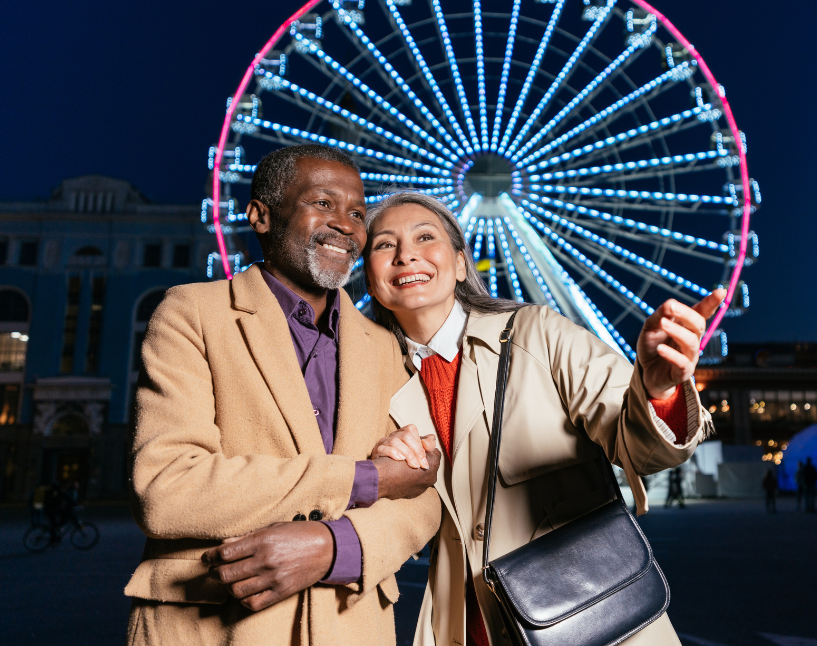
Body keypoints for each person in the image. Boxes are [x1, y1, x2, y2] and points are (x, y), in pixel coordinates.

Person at [361, 192, 721, 646]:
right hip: (469, 623)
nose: (406, 253)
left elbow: (636, 446)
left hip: (589, 617)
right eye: (383, 245)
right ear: (370, 279)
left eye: (424, 236)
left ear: (458, 263)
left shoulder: (538, 332)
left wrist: (658, 390)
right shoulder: (373, 385)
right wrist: (382, 472)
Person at [125, 145, 442, 645]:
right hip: (214, 627)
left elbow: (423, 492)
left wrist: (338, 546)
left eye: (358, 212)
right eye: (323, 203)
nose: (346, 224)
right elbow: (167, 487)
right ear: (261, 216)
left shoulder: (385, 347)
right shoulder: (192, 315)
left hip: (350, 627)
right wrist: (367, 478)